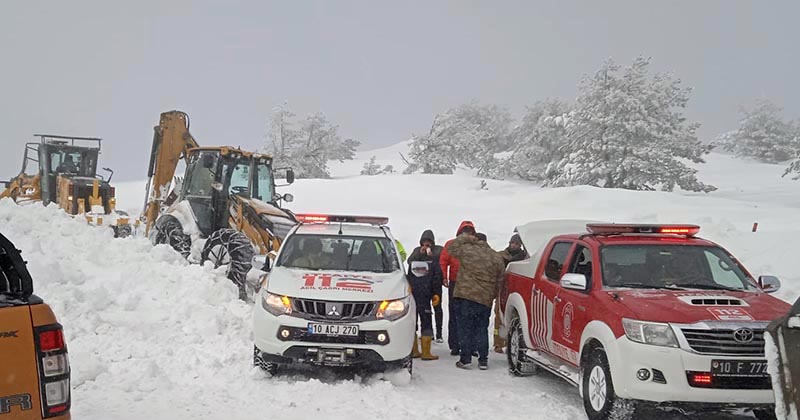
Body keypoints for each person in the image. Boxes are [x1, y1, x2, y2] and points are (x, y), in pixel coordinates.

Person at [447, 231, 505, 370]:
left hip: (465, 296)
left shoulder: (468, 251)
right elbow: (500, 280)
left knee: (464, 328)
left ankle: (465, 359)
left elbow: (451, 248)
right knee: (481, 329)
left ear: (475, 240)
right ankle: (483, 360)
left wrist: (466, 237)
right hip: (484, 299)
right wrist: (493, 295)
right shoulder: (496, 257)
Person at [439, 220, 476, 356]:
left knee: (470, 315)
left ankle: (470, 346)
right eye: (465, 231)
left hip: (471, 283)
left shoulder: (476, 245)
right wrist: (444, 276)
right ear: (460, 233)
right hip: (456, 282)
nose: (467, 234)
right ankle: (455, 345)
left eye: (470, 231)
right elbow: (443, 261)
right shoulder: (451, 244)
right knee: (455, 314)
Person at [406, 230, 442, 361]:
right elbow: (409, 267)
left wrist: (436, 294)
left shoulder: (436, 254)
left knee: (426, 322)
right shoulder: (416, 254)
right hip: (414, 294)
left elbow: (437, 276)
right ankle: (415, 350)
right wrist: (419, 254)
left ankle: (426, 352)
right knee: (413, 322)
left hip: (426, 294)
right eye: (424, 242)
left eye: (429, 242)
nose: (426, 245)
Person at [494, 233, 529, 352]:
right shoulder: (500, 256)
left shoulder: (525, 258)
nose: (514, 245)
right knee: (499, 317)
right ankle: (498, 342)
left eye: (517, 243)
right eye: (512, 243)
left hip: (516, 290)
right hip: (502, 289)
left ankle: (511, 343)